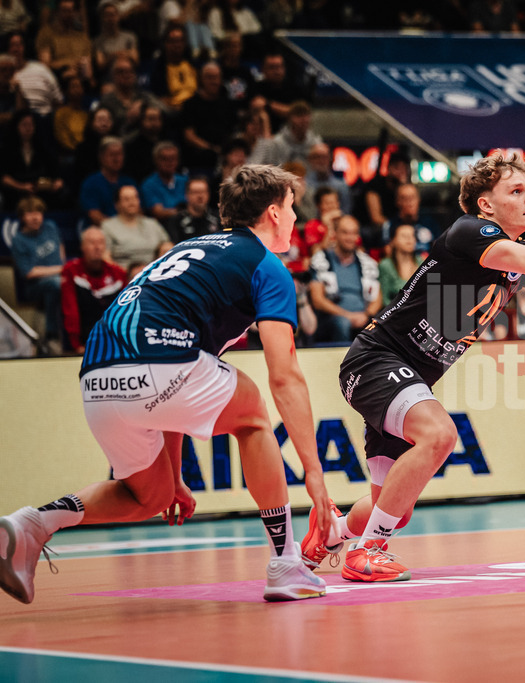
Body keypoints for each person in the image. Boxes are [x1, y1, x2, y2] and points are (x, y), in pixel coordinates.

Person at [0, 164, 334, 605]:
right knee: (252, 414)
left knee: (148, 495)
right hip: (159, 362)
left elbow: (182, 382)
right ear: (274, 213)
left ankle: (31, 524)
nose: (295, 217)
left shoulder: (189, 250)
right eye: (293, 208)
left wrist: (175, 475)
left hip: (97, 375)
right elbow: (285, 374)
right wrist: (313, 472)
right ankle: (286, 564)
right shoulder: (267, 266)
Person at [299, 152, 525, 582]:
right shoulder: (469, 231)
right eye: (515, 191)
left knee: (392, 510)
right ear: (486, 204)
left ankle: (329, 534)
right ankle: (367, 554)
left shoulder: (514, 255)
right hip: (377, 359)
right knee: (440, 435)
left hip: (405, 376)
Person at [307, 213, 383, 344]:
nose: (350, 238)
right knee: (342, 323)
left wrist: (365, 315)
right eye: (345, 233)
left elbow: (377, 298)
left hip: (362, 316)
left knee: (380, 326)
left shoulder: (367, 263)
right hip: (331, 318)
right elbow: (317, 300)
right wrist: (347, 316)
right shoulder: (321, 260)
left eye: (354, 233)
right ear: (335, 234)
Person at [60, 226, 128, 354]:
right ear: (82, 247)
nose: (97, 247)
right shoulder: (71, 271)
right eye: (92, 243)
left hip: (114, 341)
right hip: (83, 342)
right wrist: (76, 345)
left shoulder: (118, 274)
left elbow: (125, 312)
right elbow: (70, 310)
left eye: (101, 242)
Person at [10, 195, 64, 352]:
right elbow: (29, 273)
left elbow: (60, 246)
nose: (35, 217)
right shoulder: (19, 240)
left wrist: (63, 265)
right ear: (21, 217)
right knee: (54, 283)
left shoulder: (50, 227)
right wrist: (60, 270)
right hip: (34, 287)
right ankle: (51, 333)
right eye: (30, 213)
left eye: (38, 212)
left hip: (58, 275)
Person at [101, 184, 173, 269]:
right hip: (125, 275)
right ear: (117, 204)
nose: (132, 202)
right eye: (126, 199)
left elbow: (167, 245)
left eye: (135, 198)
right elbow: (105, 257)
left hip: (154, 273)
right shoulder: (108, 226)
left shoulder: (152, 223)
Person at [80, 136, 136, 227]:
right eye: (112, 154)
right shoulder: (91, 183)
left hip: (130, 229)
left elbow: (139, 210)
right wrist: (119, 228)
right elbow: (94, 215)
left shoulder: (129, 182)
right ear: (101, 157)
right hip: (102, 231)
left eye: (119, 154)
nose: (116, 159)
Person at [377, 221, 424, 304]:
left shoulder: (422, 262)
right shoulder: (386, 265)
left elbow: (431, 294)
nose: (409, 239)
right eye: (404, 236)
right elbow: (384, 300)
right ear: (393, 241)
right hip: (395, 313)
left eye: (412, 235)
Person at [163, 176, 220, 243]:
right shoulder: (176, 221)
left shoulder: (218, 218)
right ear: (187, 195)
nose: (200, 196)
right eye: (196, 192)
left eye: (203, 192)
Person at [140, 141, 188, 220]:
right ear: (156, 161)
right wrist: (185, 211)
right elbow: (158, 213)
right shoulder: (149, 185)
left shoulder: (184, 181)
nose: (170, 163)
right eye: (165, 159)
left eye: (173, 158)